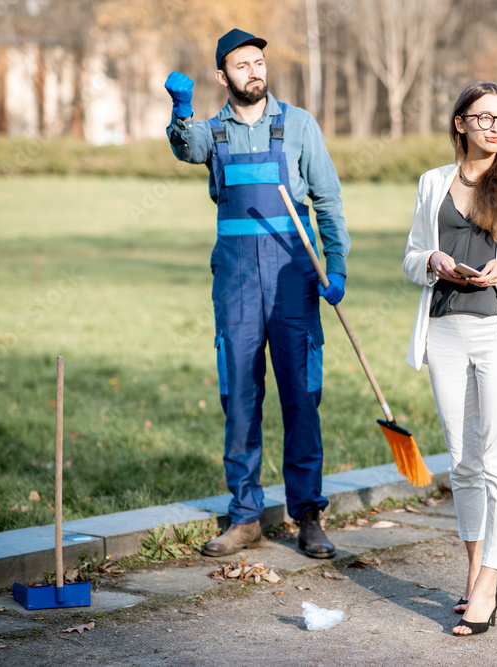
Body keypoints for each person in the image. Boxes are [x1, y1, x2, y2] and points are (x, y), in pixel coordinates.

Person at [164, 29, 350, 559]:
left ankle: (308, 515)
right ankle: (244, 516)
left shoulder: (298, 126)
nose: (254, 71)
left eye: (259, 62)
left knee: (301, 397)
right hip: (238, 282)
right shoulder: (211, 132)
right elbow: (184, 146)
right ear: (223, 77)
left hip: (295, 275)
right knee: (240, 397)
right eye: (242, 65)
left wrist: (335, 266)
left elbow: (329, 200)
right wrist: (181, 109)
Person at [403, 81, 497, 635]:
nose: (496, 127)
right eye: (484, 117)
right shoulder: (432, 183)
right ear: (460, 123)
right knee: (462, 459)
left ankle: (490, 585)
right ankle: (473, 575)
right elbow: (410, 257)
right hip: (444, 331)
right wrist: (433, 259)